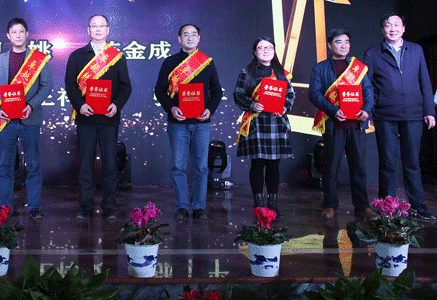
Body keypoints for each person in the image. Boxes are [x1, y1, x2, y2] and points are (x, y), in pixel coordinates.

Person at [364, 13, 436, 220]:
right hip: (385, 115)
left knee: (412, 163)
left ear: (403, 28)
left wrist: (429, 110)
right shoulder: (373, 53)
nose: (393, 28)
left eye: (397, 25)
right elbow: (366, 85)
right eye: (388, 25)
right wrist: (368, 111)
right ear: (382, 30)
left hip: (413, 114)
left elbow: (425, 81)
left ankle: (418, 205)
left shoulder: (416, 50)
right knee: (387, 163)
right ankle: (387, 207)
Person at [65, 14, 132, 219]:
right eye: (94, 26)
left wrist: (116, 105)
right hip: (85, 117)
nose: (98, 29)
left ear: (108, 30)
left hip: (109, 118)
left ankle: (109, 206)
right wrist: (80, 105)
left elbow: (126, 86)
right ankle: (85, 206)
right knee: (85, 163)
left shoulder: (117, 57)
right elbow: (70, 84)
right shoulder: (77, 56)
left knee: (110, 163)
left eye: (102, 26)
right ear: (88, 30)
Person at [154, 24, 223, 220]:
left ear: (199, 38)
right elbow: (160, 90)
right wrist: (171, 108)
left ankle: (199, 206)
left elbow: (217, 91)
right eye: (186, 34)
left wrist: (209, 109)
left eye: (194, 35)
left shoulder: (207, 63)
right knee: (178, 166)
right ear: (179, 39)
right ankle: (182, 206)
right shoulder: (170, 62)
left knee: (201, 167)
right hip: (178, 123)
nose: (190, 38)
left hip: (201, 123)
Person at [309, 29, 376, 221]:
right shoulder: (320, 68)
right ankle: (330, 204)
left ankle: (362, 206)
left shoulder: (358, 68)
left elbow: (368, 91)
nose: (344, 45)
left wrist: (367, 110)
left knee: (359, 167)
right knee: (331, 167)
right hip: (334, 125)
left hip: (356, 124)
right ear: (330, 45)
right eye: (339, 42)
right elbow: (314, 94)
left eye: (346, 41)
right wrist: (332, 110)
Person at [0, 18, 52, 219]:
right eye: (14, 32)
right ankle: (5, 207)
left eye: (21, 31)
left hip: (29, 120)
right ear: (8, 36)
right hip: (6, 121)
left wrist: (31, 105)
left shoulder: (38, 59)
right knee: (5, 166)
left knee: (33, 165)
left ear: (27, 34)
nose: (18, 35)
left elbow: (47, 86)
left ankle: (34, 206)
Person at [234, 36, 295, 216]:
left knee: (274, 166)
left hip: (276, 123)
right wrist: (252, 105)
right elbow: (238, 95)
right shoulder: (247, 72)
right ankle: (259, 205)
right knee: (257, 165)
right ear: (255, 52)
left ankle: (273, 205)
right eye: (261, 47)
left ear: (274, 51)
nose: (265, 50)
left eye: (269, 47)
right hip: (256, 124)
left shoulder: (281, 73)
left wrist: (284, 108)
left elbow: (290, 95)